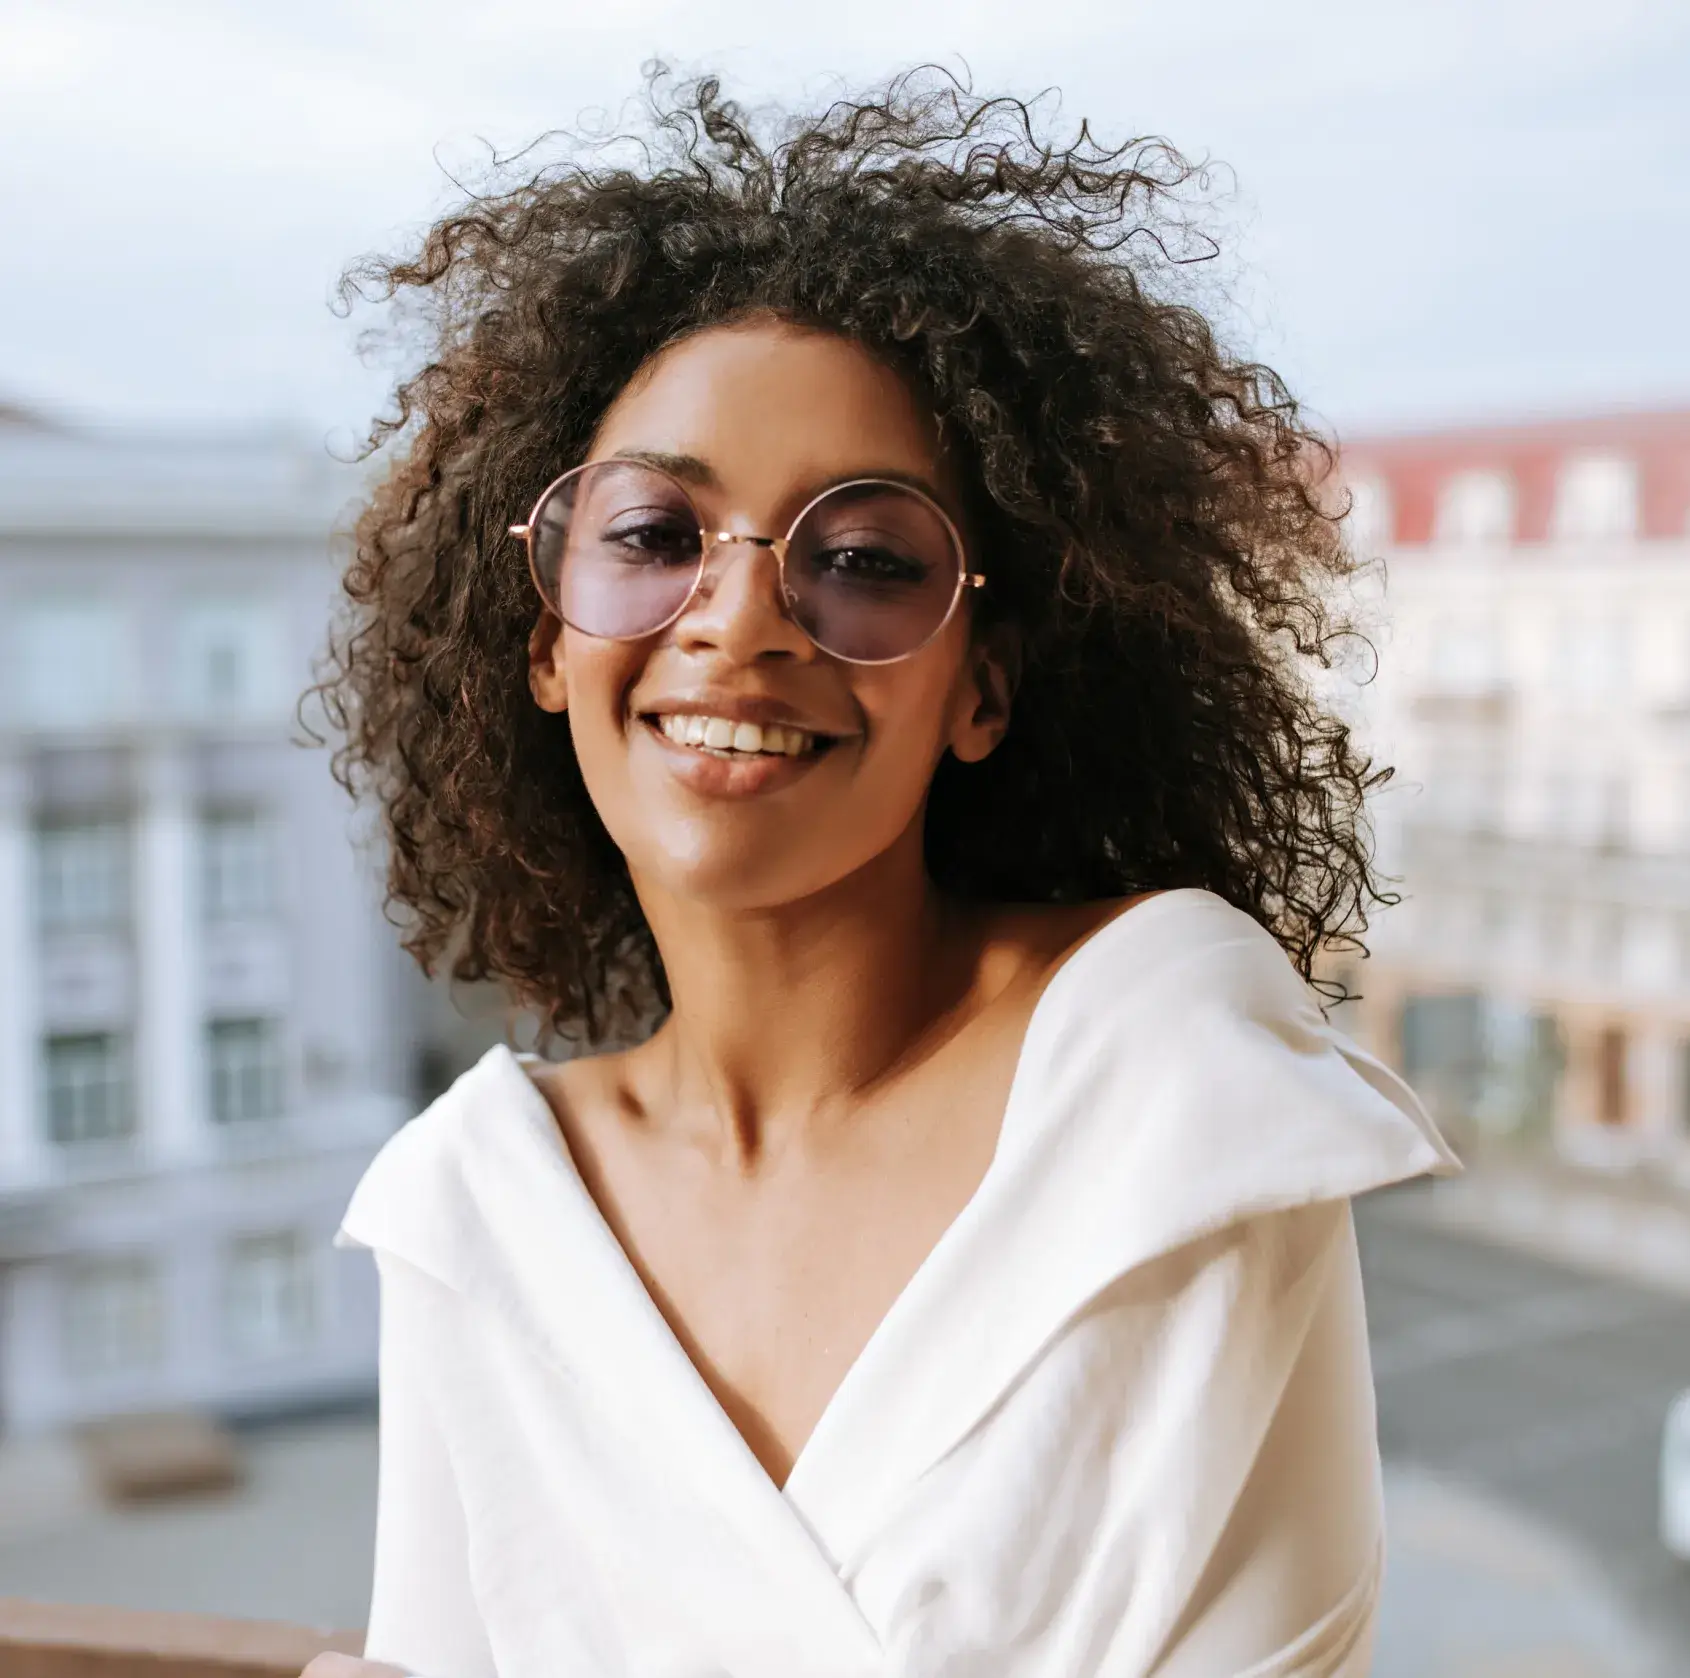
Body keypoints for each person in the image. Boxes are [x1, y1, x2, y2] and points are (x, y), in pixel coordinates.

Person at [302, 70, 1459, 1678]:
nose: (739, 617)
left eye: (859, 559)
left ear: (982, 682)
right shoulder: (475, 1209)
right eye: (652, 536)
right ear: (546, 643)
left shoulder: (1160, 1067)